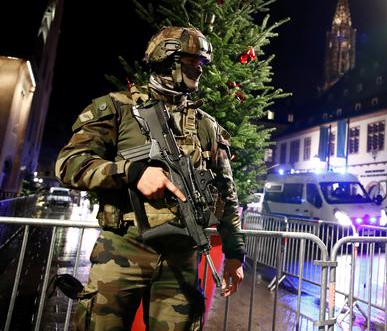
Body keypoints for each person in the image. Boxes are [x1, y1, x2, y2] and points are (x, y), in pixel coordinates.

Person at [56, 26, 246, 330]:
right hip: (123, 249)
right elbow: (69, 164)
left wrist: (236, 254)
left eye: (201, 64)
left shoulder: (207, 126)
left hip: (182, 258)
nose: (198, 69)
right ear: (164, 60)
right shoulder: (118, 108)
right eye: (190, 61)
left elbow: (227, 192)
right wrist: (132, 173)